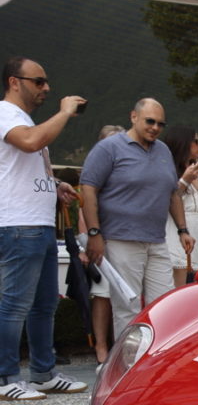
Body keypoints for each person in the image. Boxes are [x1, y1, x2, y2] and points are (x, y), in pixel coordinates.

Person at [0, 56, 88, 400]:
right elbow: (30, 142)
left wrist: (55, 186)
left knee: (44, 303)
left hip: (38, 223)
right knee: (15, 305)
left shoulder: (21, 118)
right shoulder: (5, 113)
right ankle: (6, 377)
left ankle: (43, 372)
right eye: (39, 81)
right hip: (18, 223)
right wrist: (65, 112)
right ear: (13, 82)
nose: (47, 88)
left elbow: (28, 164)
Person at [81, 97, 196, 338]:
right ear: (133, 117)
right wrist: (94, 233)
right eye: (150, 121)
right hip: (121, 238)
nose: (155, 127)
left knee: (163, 307)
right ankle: (127, 368)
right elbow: (88, 188)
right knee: (128, 308)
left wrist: (182, 229)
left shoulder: (163, 150)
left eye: (160, 124)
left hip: (156, 239)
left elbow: (172, 192)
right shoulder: (109, 148)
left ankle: (154, 366)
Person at [75, 124, 122, 364]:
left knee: (124, 295)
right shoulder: (94, 170)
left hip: (123, 237)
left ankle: (120, 347)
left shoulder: (125, 168)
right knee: (103, 294)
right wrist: (86, 244)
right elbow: (84, 208)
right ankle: (101, 347)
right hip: (99, 239)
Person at [164, 125, 198, 287]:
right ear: (183, 143)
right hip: (176, 230)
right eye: (196, 141)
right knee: (177, 289)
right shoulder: (168, 170)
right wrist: (184, 180)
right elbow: (166, 201)